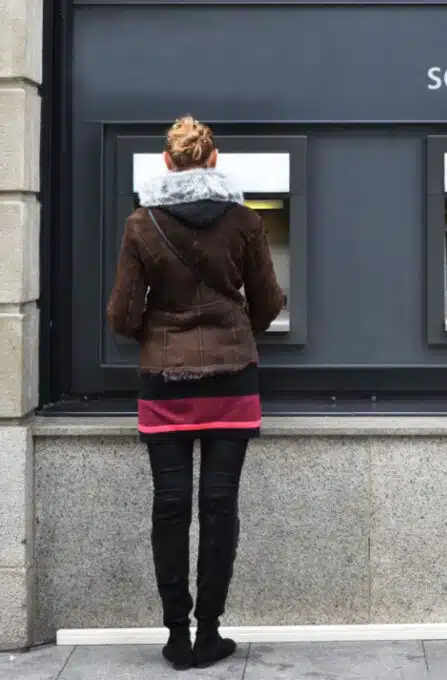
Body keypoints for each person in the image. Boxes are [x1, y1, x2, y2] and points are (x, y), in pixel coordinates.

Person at [106, 116, 285, 670]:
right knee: (219, 503)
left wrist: (160, 333)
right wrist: (232, 329)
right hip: (232, 380)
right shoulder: (245, 221)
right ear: (213, 161)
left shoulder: (142, 224)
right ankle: (210, 632)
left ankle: (177, 637)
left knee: (171, 504)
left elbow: (121, 314)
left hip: (166, 381)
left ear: (166, 163)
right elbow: (269, 301)